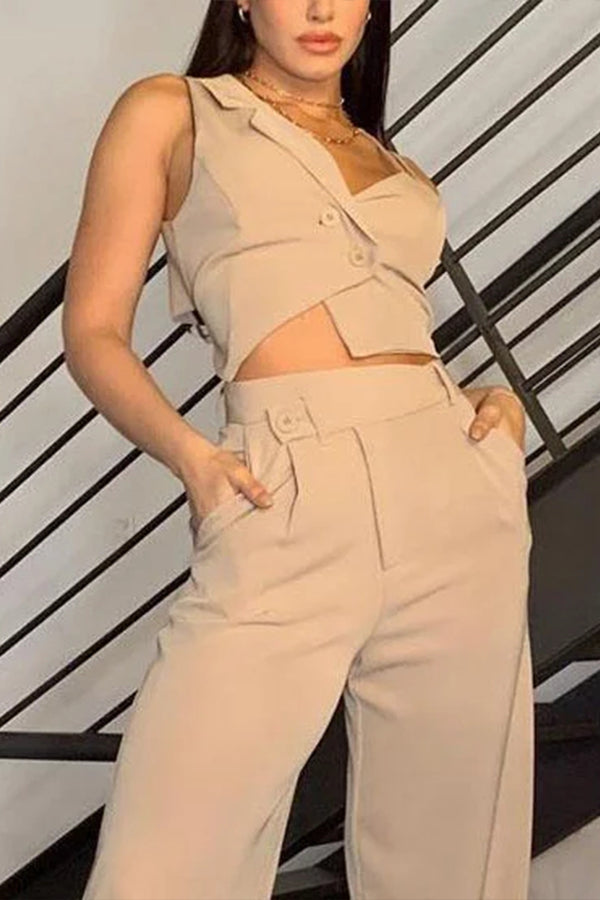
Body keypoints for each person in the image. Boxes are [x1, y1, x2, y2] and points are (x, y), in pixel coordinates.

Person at [63, 1, 534, 898]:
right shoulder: (172, 110)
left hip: (454, 491)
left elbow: (398, 327)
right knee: (162, 864)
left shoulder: (391, 160)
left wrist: (493, 406)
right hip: (282, 484)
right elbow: (91, 332)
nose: (321, 10)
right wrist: (193, 457)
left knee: (454, 861)